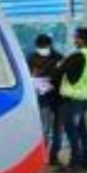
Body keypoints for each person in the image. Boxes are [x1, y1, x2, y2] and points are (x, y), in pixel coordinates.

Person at [56, 26, 87, 173]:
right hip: (85, 98)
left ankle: (74, 163)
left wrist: (59, 66)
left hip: (72, 98)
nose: (74, 40)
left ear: (81, 39)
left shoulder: (77, 56)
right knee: (81, 130)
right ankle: (85, 161)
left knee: (71, 130)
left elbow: (60, 71)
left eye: (75, 37)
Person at [27, 34, 63, 165]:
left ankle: (54, 157)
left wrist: (50, 79)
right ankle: (42, 156)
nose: (41, 49)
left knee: (57, 130)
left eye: (44, 46)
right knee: (45, 129)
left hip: (58, 97)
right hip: (43, 97)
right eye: (40, 47)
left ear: (49, 45)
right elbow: (28, 75)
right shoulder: (32, 57)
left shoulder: (58, 57)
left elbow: (62, 75)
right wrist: (35, 79)